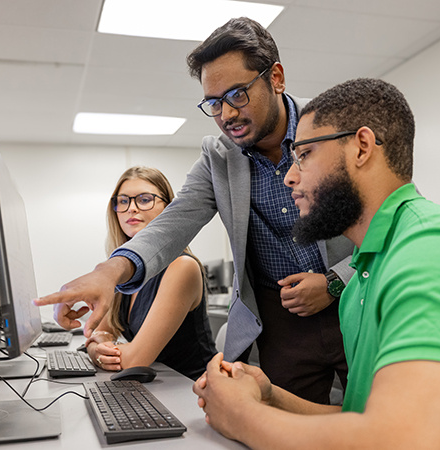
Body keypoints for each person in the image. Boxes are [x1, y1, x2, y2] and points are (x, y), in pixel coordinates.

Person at [34, 18, 354, 402]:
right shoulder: (218, 157)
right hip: (281, 321)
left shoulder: (335, 128)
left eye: (238, 94)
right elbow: (174, 222)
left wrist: (336, 282)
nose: (227, 115)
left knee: (383, 425)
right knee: (286, 432)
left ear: (277, 78)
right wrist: (109, 272)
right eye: (214, 103)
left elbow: (391, 223)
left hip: (357, 301)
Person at [192, 77, 440, 449]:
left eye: (304, 155)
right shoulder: (360, 272)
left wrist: (241, 416)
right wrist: (268, 396)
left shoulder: (425, 249)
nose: (290, 177)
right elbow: (361, 420)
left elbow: (402, 437)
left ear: (361, 147)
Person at [85, 166, 216, 380]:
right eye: (123, 201)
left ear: (169, 208)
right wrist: (95, 349)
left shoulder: (182, 267)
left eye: (145, 199)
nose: (131, 208)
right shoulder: (123, 270)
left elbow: (134, 360)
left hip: (192, 392)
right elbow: (97, 332)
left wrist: (98, 349)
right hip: (155, 385)